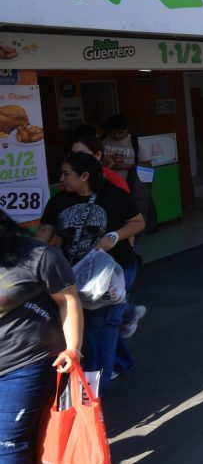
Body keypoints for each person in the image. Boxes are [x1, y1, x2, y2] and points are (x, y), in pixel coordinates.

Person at [36, 153, 145, 393]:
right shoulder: (59, 201)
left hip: (114, 271)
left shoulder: (114, 196)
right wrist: (27, 258)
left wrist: (114, 236)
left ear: (84, 176)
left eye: (67, 174)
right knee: (98, 322)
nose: (62, 179)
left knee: (99, 326)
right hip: (74, 272)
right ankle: (122, 354)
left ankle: (94, 389)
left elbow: (138, 222)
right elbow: (46, 231)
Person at [0, 211, 82, 464]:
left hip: (25, 361)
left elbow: (68, 300)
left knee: (7, 440)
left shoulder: (38, 256)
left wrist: (73, 349)